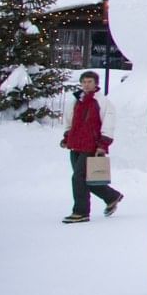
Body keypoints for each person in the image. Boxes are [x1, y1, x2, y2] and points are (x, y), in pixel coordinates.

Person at [60, 71, 123, 223]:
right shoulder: (76, 100)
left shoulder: (102, 102)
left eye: (90, 82)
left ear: (96, 83)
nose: (86, 85)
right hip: (76, 144)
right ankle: (112, 196)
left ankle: (81, 212)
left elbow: (108, 123)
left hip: (91, 145)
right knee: (85, 179)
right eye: (84, 82)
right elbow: (70, 119)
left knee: (78, 178)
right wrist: (67, 137)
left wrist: (103, 144)